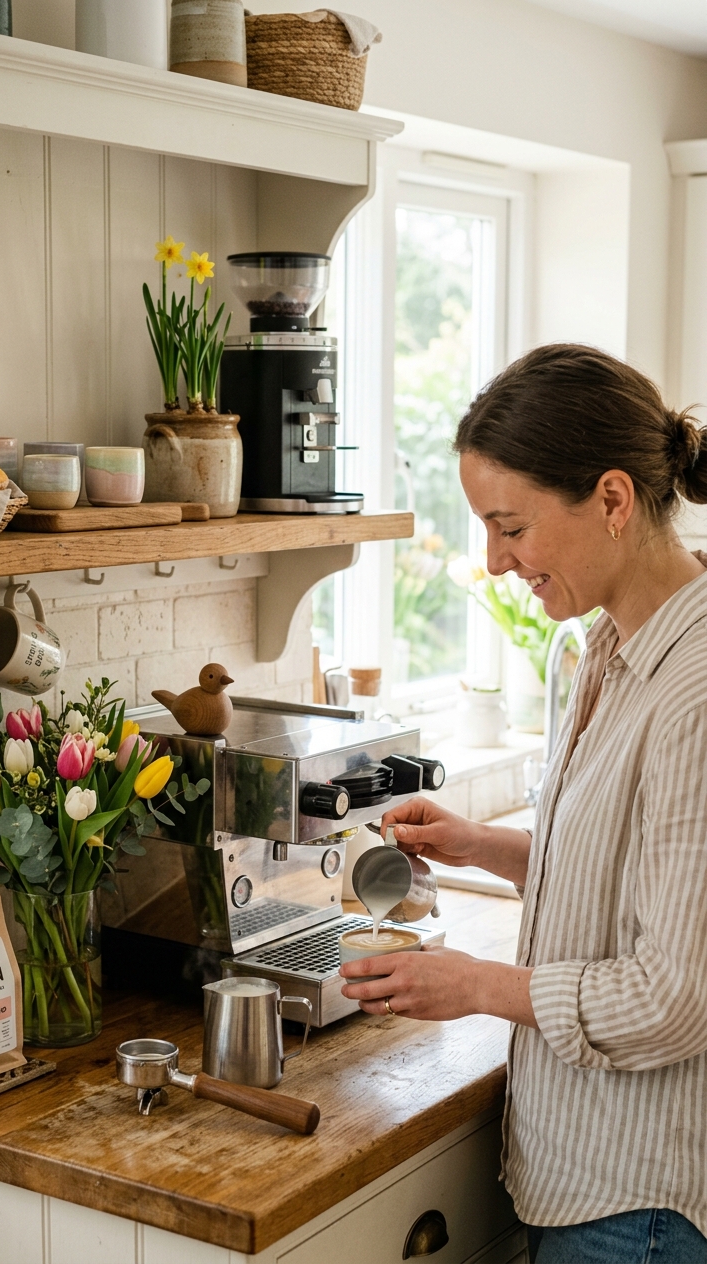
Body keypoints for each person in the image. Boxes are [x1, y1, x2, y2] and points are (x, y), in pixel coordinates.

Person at [340, 344, 707, 1263]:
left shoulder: (694, 694)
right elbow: (636, 876)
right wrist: (485, 845)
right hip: (589, 1175)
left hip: (639, 1206)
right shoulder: (614, 650)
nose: (496, 562)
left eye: (510, 527)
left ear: (613, 500)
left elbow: (672, 998)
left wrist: (477, 986)